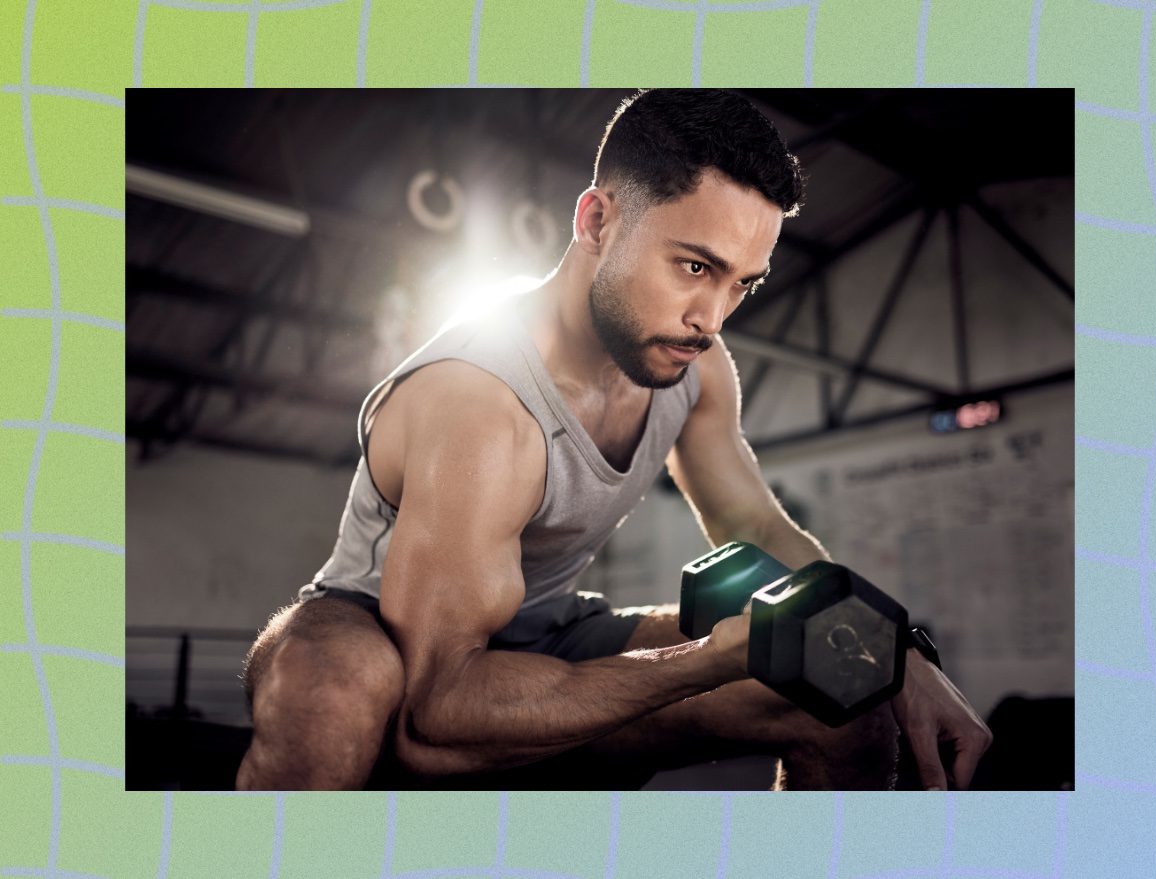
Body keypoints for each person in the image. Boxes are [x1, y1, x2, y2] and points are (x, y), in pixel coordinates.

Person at [236, 89, 992, 792]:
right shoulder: (480, 403)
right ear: (598, 221)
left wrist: (897, 655)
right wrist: (700, 664)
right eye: (695, 266)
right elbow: (435, 713)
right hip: (387, 639)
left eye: (741, 284)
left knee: (844, 691)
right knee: (336, 695)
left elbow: (754, 525)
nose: (712, 316)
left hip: (547, 633)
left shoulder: (697, 367)